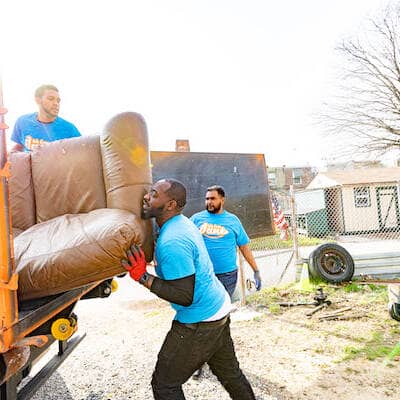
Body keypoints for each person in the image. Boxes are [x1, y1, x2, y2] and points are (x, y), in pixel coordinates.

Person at [121, 178, 256, 400]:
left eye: (154, 194)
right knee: (230, 374)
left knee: (164, 385)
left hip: (200, 320)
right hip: (218, 307)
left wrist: (142, 277)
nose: (146, 197)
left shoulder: (173, 240)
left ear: (171, 204)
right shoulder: (181, 223)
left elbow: (184, 295)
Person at [190, 185, 262, 299]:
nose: (209, 202)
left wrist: (256, 270)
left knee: (222, 308)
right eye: (207, 199)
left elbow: (244, 247)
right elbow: (186, 243)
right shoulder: (196, 219)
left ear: (222, 200)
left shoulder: (233, 220)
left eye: (213, 198)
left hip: (227, 275)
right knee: (206, 309)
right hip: (203, 273)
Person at [10, 84, 81, 152]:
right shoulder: (22, 121)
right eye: (51, 99)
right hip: (29, 163)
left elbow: (81, 154)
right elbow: (20, 145)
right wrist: (10, 158)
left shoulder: (69, 129)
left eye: (58, 101)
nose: (56, 103)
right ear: (38, 100)